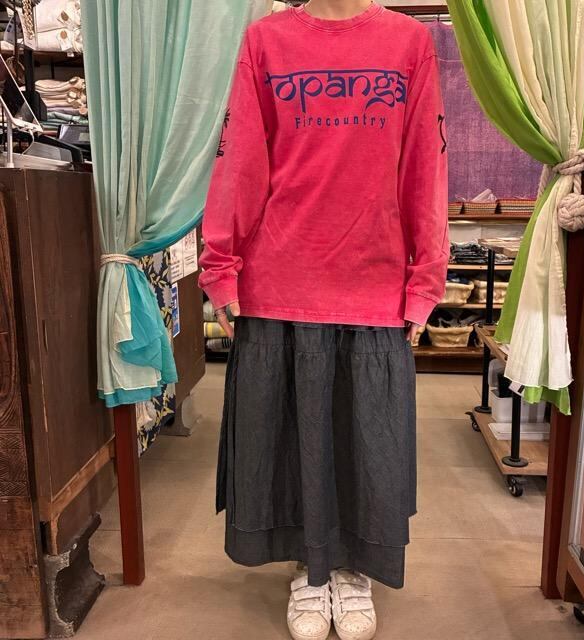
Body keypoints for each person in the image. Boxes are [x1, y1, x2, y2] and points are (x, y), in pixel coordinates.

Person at [198, 1, 448, 638]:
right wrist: (221, 264)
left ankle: (353, 568)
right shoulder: (266, 41)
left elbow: (425, 162)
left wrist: (426, 276)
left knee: (368, 445)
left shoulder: (408, 43)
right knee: (293, 443)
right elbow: (240, 158)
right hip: (281, 277)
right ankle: (309, 569)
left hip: (373, 279)